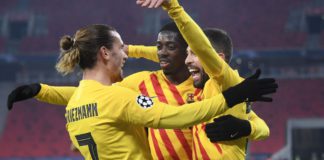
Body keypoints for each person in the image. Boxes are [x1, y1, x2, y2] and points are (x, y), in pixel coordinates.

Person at [7, 24, 278, 159]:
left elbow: (261, 126)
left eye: (169, 47)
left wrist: (247, 127)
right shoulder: (140, 83)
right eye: (158, 46)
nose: (161, 52)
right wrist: (42, 90)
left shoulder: (209, 85)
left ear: (190, 53)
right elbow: (102, 98)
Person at [139, 0, 275, 159]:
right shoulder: (201, 88)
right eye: (188, 53)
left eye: (194, 54)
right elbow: (264, 128)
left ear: (218, 59)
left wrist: (173, 7)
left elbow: (203, 47)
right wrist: (248, 127)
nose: (187, 60)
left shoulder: (228, 81)